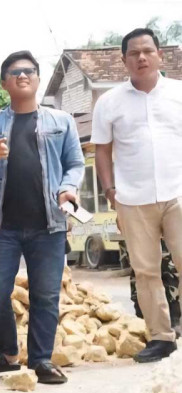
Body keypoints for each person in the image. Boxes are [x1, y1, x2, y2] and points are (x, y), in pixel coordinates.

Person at [0, 51, 84, 384]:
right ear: (4, 83)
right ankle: (7, 355)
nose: (22, 75)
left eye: (29, 70)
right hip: (1, 228)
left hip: (49, 225)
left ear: (38, 78)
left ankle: (41, 360)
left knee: (45, 296)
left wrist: (67, 188)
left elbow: (75, 164)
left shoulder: (62, 121)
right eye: (14, 72)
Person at [93, 28, 182, 363]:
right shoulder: (109, 102)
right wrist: (111, 192)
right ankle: (161, 337)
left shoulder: (178, 93)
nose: (141, 57)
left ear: (160, 55)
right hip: (133, 199)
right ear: (124, 60)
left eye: (147, 51)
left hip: (178, 192)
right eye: (134, 53)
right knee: (146, 271)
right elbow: (103, 151)